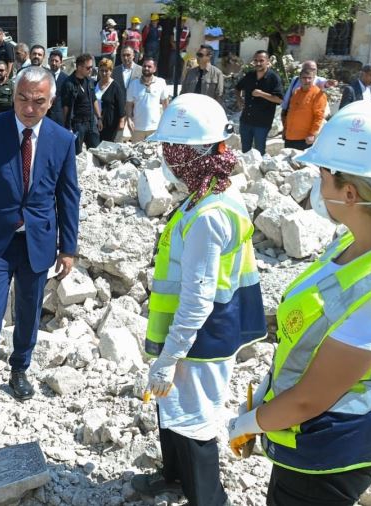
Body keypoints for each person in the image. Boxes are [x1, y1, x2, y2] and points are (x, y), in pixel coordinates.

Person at [228, 100, 371, 506]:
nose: (317, 186)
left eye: (322, 175)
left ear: (349, 192)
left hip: (329, 451)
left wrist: (249, 423)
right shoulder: (356, 242)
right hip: (310, 432)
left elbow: (310, 399)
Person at [131, 93, 266, 506]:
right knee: (172, 408)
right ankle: (174, 479)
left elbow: (197, 298)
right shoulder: (208, 194)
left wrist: (170, 357)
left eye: (170, 150)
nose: (165, 159)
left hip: (201, 339)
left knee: (196, 421)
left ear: (187, 154)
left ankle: (208, 498)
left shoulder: (209, 215)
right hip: (190, 335)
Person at [0, 65, 80, 431]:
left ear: (51, 101)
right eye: (23, 99)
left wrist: (68, 246)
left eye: (38, 101)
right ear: (13, 96)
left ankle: (19, 368)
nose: (29, 107)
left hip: (38, 241)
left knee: (28, 312)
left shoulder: (62, 140)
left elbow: (68, 196)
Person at [235, 50, 283, 154]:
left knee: (259, 151)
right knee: (245, 151)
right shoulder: (250, 75)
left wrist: (262, 94)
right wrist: (239, 100)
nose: (258, 63)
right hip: (246, 120)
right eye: (256, 60)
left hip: (262, 123)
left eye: (261, 60)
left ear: (268, 61)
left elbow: (279, 99)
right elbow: (237, 87)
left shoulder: (273, 78)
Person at [61, 53, 101, 154]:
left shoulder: (90, 81)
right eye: (88, 68)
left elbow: (94, 99)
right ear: (79, 67)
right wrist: (67, 126)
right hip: (77, 124)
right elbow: (65, 107)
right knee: (76, 153)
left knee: (96, 152)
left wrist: (99, 118)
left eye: (91, 67)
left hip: (91, 123)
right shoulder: (68, 84)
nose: (91, 70)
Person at [126, 57, 170, 143]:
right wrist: (129, 118)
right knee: (136, 154)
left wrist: (166, 122)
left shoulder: (161, 82)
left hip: (155, 128)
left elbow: (165, 103)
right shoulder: (133, 84)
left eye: (149, 66)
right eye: (144, 66)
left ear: (154, 69)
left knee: (153, 154)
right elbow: (128, 104)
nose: (146, 68)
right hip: (137, 128)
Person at [283, 68, 327, 150]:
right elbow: (290, 112)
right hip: (289, 137)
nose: (307, 80)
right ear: (300, 79)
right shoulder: (296, 92)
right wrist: (285, 130)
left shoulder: (318, 94)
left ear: (314, 79)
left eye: (309, 78)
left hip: (304, 139)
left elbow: (319, 116)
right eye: (304, 78)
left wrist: (312, 134)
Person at [95, 58, 126, 143]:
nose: (104, 73)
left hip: (110, 124)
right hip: (95, 122)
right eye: (102, 70)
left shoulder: (115, 87)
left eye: (106, 71)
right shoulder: (95, 84)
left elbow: (121, 106)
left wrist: (121, 122)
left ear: (111, 71)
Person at [47, 51, 69, 126]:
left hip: (60, 119)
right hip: (45, 116)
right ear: (48, 61)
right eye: (52, 60)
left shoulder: (66, 79)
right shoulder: (44, 76)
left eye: (56, 61)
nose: (53, 63)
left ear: (61, 62)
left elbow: (67, 101)